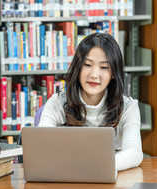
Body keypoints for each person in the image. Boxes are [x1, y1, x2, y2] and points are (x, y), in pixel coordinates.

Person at [38, 33, 143, 171]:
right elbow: (41, 149)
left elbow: (135, 153)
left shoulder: (128, 107)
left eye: (104, 67)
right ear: (78, 67)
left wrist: (93, 167)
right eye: (87, 65)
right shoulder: (57, 103)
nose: (94, 74)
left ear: (113, 73)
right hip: (66, 181)